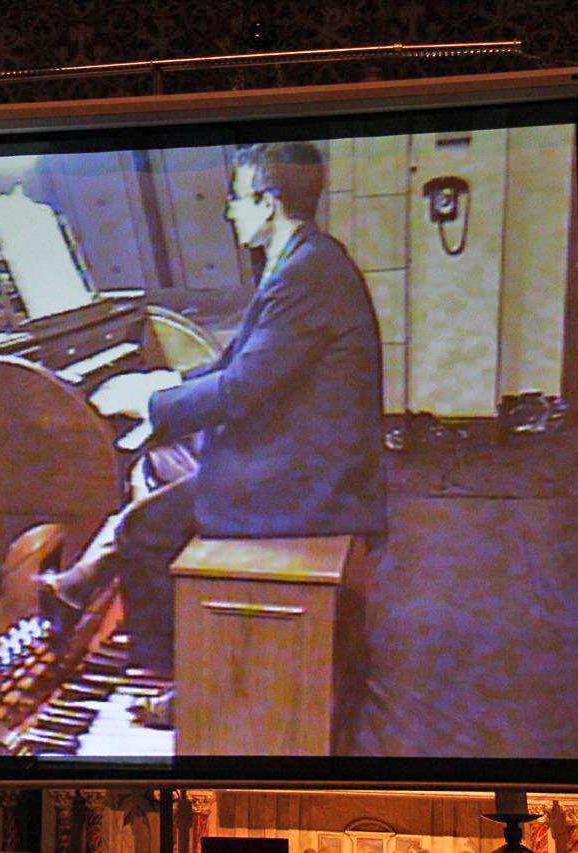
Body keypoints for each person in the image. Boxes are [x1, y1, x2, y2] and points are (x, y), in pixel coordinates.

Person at [46, 140, 387, 720]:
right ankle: (91, 581)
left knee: (149, 530)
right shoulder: (307, 258)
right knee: (159, 463)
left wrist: (149, 401)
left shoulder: (307, 272)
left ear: (268, 201)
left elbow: (241, 390)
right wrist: (166, 383)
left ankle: (168, 680)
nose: (229, 211)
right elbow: (235, 362)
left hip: (315, 484)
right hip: (307, 455)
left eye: (237, 198)